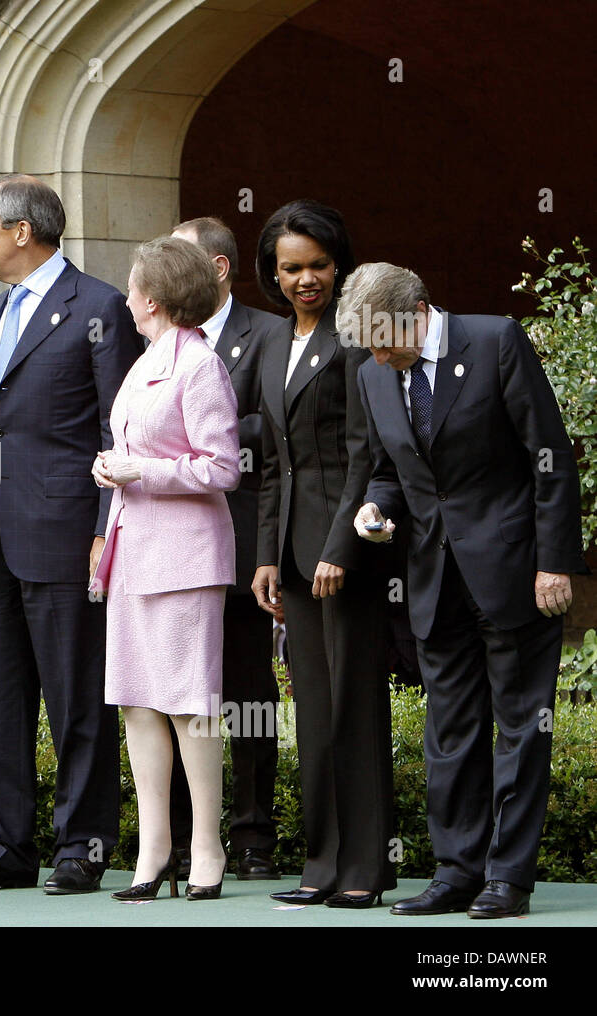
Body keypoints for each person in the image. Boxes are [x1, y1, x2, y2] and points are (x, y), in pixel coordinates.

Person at [344, 262, 586, 918]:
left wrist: (555, 563)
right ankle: (456, 871)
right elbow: (390, 471)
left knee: (518, 728)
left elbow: (550, 457)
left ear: (418, 309)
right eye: (367, 346)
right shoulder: (374, 374)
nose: (375, 355)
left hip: (513, 572)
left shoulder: (496, 341)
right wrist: (376, 510)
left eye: (382, 339)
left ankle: (508, 878)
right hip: (433, 579)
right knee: (448, 734)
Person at [0, 174, 140, 895]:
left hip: (64, 539)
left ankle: (82, 848)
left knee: (76, 699)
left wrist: (101, 533)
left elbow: (116, 431)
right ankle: (4, 850)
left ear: (23, 233)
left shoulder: (98, 307)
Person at [250, 200, 396, 908]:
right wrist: (266, 556)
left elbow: (368, 456)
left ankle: (367, 868)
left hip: (350, 554)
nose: (305, 279)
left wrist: (342, 547)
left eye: (317, 266)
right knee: (313, 711)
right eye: (291, 268)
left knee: (355, 709)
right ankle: (323, 863)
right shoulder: (272, 344)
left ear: (338, 265)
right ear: (272, 273)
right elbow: (274, 464)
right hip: (294, 557)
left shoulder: (357, 339)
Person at [92, 236, 240, 901]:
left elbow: (223, 467)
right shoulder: (146, 359)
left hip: (184, 557)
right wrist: (113, 467)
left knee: (190, 706)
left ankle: (206, 847)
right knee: (138, 702)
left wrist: (139, 469)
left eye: (131, 286)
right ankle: (153, 854)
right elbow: (131, 448)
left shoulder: (200, 365)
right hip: (133, 550)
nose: (125, 296)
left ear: (151, 298)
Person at [166, 216, 285, 881]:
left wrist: (197, 432)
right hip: (174, 553)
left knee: (248, 698)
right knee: (183, 700)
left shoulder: (266, 335)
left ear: (216, 269)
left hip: (242, 549)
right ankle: (184, 842)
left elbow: (274, 428)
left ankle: (253, 841)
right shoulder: (155, 340)